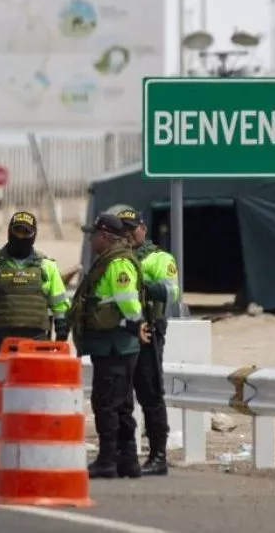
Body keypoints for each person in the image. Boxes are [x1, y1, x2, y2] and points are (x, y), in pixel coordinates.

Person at [70, 212, 148, 480]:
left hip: (115, 345)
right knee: (121, 403)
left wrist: (133, 324)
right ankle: (127, 461)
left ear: (104, 236)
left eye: (94, 235)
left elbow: (129, 302)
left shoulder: (117, 264)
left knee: (106, 404)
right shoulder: (112, 260)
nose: (91, 240)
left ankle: (108, 460)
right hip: (114, 345)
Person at [109, 204, 180, 476]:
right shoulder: (115, 258)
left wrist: (144, 284)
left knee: (150, 393)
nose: (128, 235)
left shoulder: (158, 258)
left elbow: (172, 293)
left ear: (143, 229)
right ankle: (123, 454)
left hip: (149, 329)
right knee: (121, 395)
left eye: (132, 229)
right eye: (122, 230)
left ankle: (158, 456)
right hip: (120, 331)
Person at [0, 210, 70, 357]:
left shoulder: (46, 266)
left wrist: (61, 329)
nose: (21, 236)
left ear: (34, 235)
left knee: (32, 381)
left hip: (35, 344)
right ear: (9, 231)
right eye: (17, 230)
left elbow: (60, 303)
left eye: (26, 232)